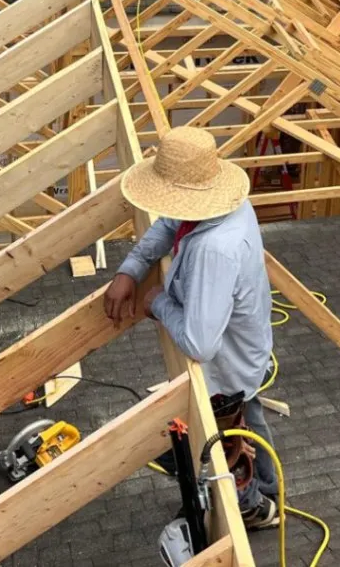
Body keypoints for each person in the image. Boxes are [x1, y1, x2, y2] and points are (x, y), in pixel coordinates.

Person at [103, 125, 279, 529]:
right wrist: (131, 269)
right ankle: (269, 488)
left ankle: (251, 505)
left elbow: (199, 344)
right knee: (250, 416)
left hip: (225, 371)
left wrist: (157, 302)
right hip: (242, 356)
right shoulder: (219, 207)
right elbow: (168, 225)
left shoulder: (214, 250)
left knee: (225, 445)